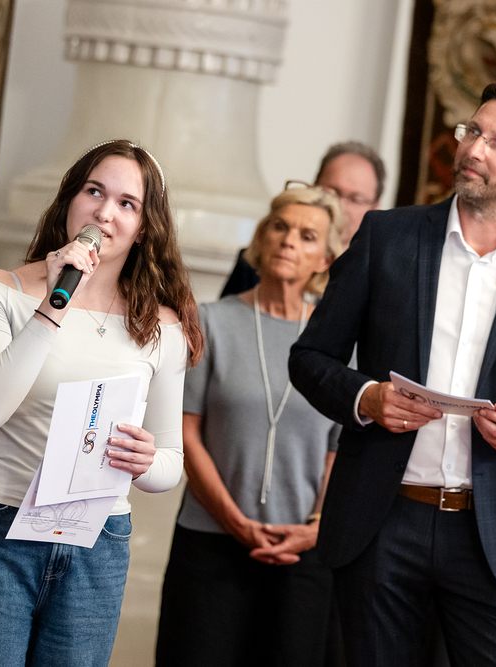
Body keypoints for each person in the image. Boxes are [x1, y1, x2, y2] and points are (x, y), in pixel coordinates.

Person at [288, 82, 496, 666]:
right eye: (473, 131)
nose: (475, 149)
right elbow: (309, 359)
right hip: (381, 522)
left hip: (492, 535)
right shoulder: (386, 237)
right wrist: (368, 397)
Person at [0, 140, 203, 667]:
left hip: (98, 541)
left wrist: (145, 462)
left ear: (145, 227)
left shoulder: (161, 326)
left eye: (127, 203)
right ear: (69, 199)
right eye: (94, 191)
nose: (104, 212)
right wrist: (53, 306)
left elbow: (169, 464)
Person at [155, 185, 346, 667]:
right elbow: (186, 434)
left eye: (307, 236)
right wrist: (235, 522)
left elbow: (338, 451)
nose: (288, 240)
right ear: (261, 238)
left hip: (301, 553)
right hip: (210, 545)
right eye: (280, 227)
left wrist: (317, 527)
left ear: (325, 259)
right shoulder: (211, 322)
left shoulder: (338, 341)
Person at [220, 141, 385, 297]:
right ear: (313, 189)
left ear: (376, 208)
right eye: (331, 192)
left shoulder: (380, 278)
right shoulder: (262, 259)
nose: (340, 205)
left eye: (355, 199)